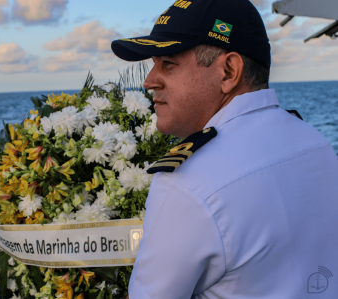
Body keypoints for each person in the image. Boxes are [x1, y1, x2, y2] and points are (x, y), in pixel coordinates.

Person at [111, 0, 338, 298]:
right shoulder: (316, 144)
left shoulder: (187, 184)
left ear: (229, 71)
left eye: (168, 63)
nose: (149, 81)